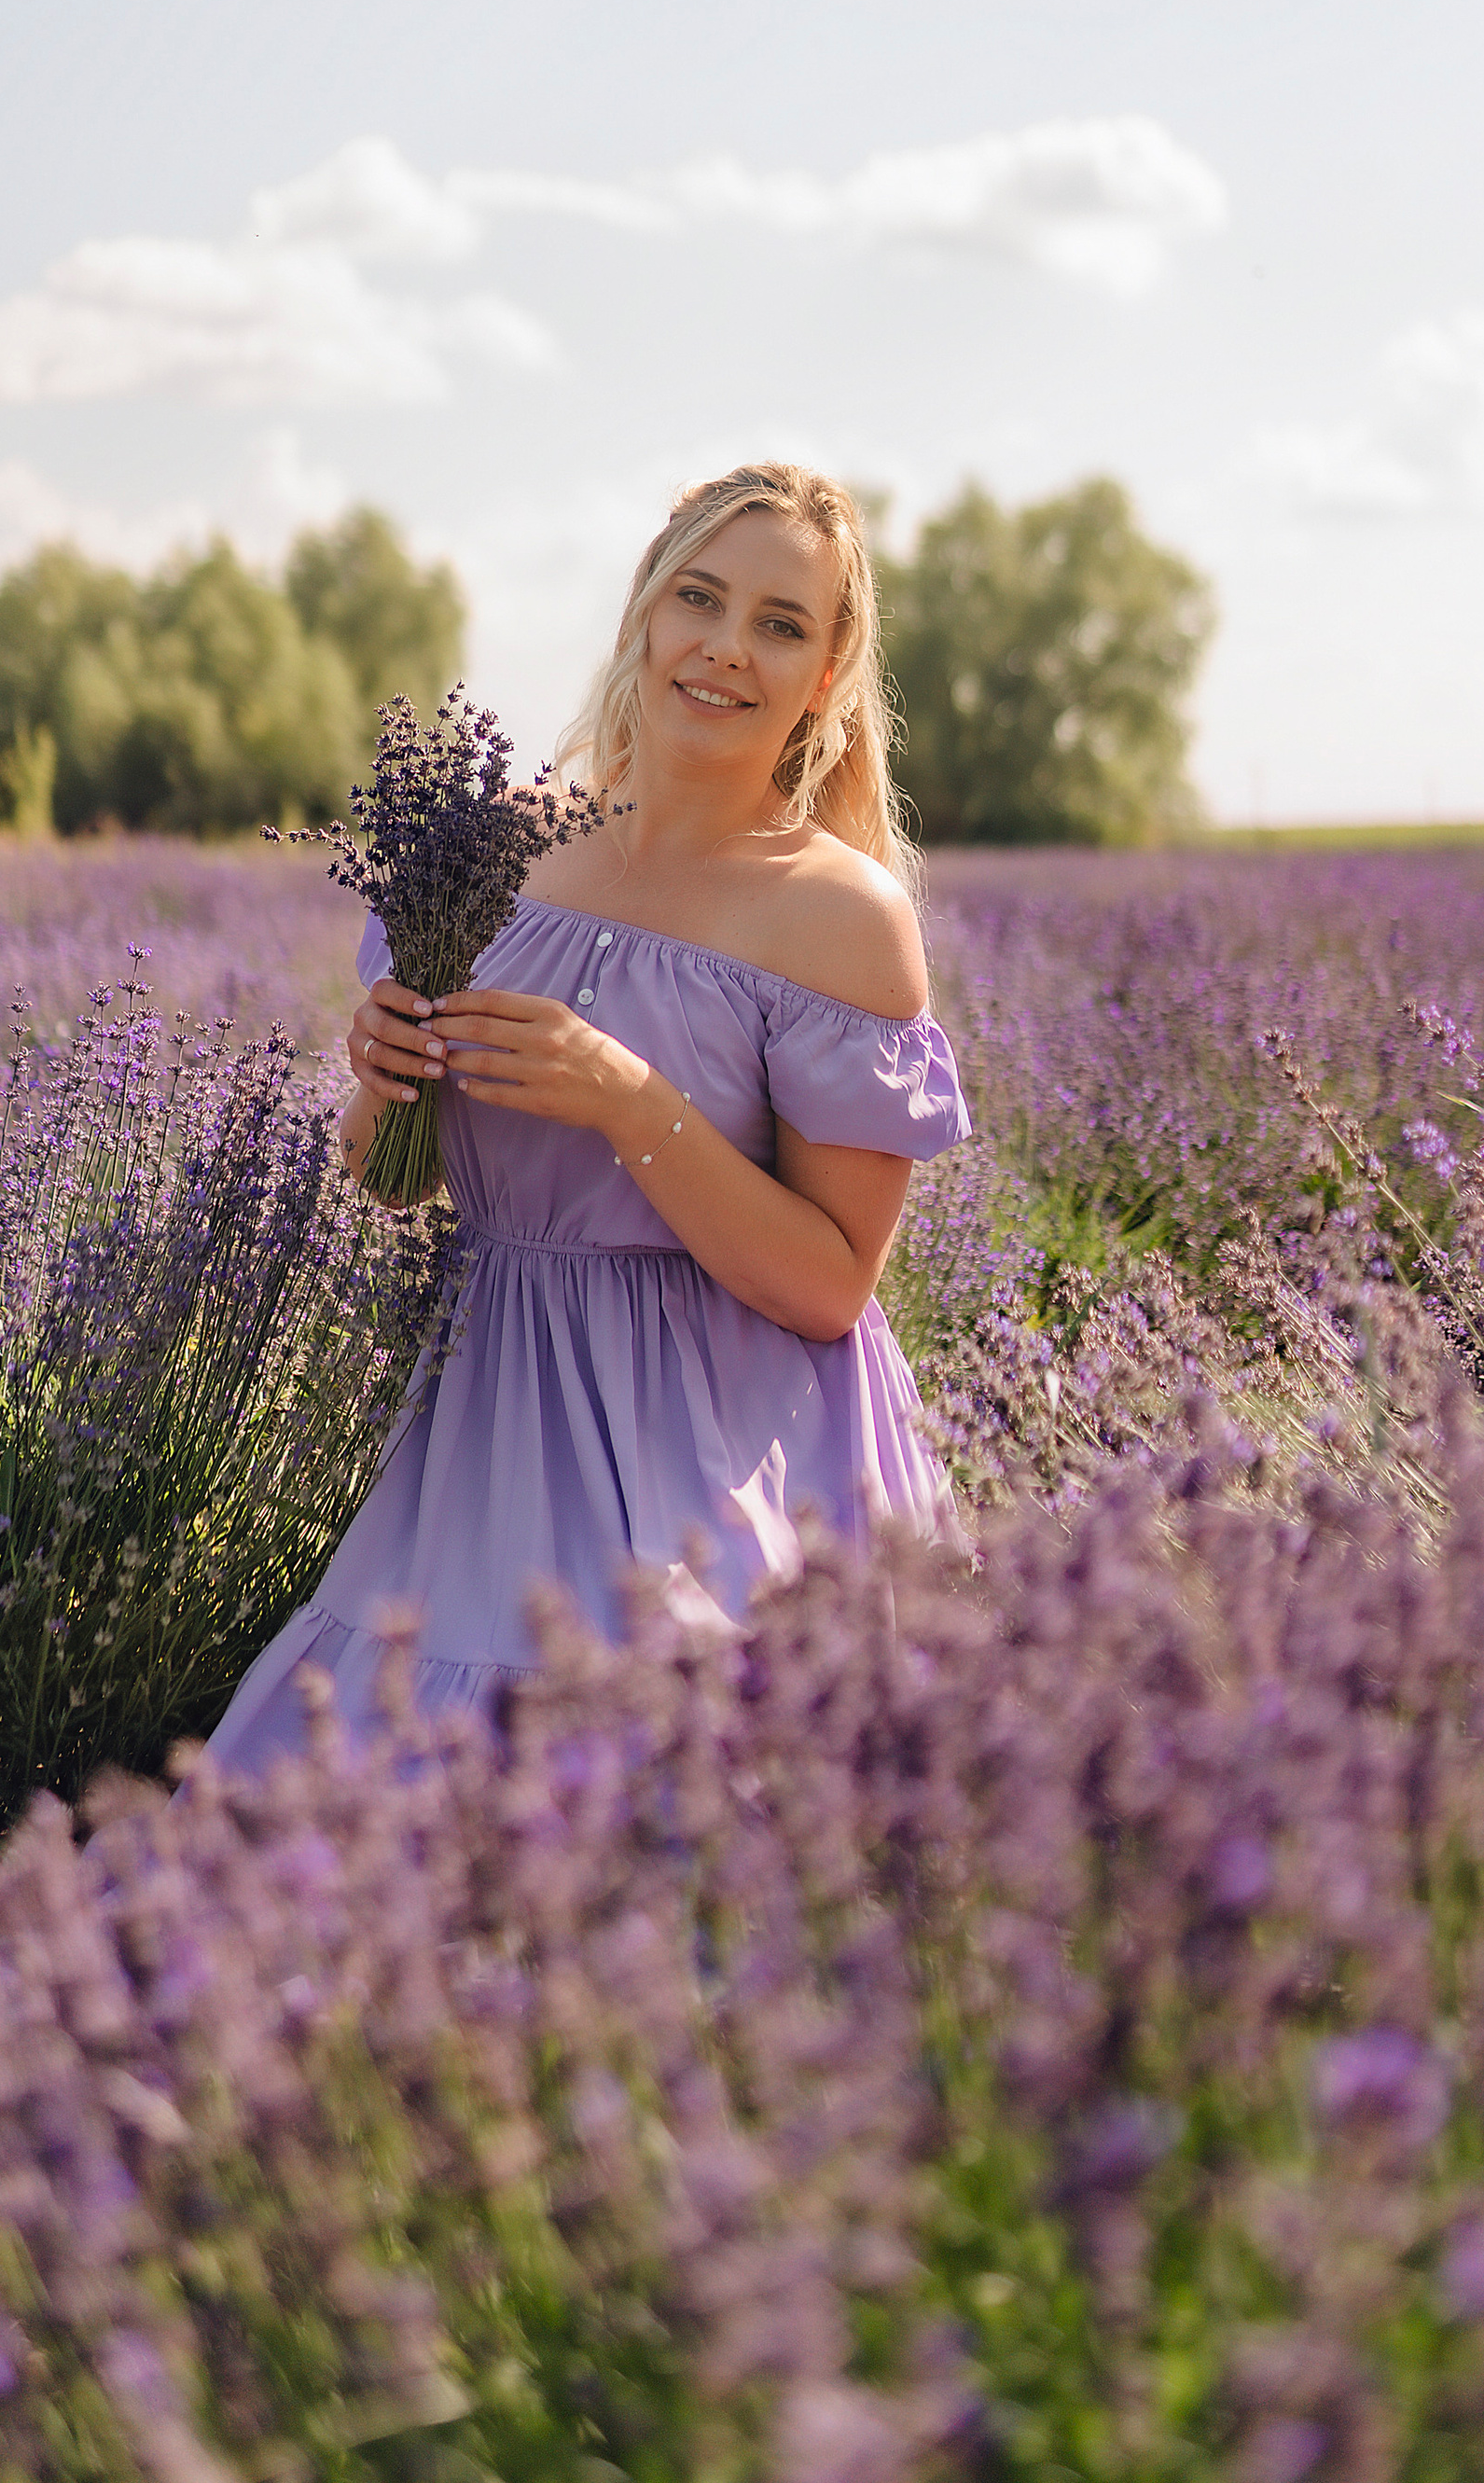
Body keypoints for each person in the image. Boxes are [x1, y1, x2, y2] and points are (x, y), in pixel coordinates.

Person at [203, 459, 970, 1770]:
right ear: (646, 615)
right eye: (701, 600)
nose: (727, 648)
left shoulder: (840, 916)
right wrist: (383, 1081)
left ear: (828, 676)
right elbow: (392, 1179)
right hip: (495, 1401)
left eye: (781, 624)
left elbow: (834, 1284)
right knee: (373, 1807)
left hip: (729, 1436)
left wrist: (627, 1097)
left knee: (681, 1798)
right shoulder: (495, 845)